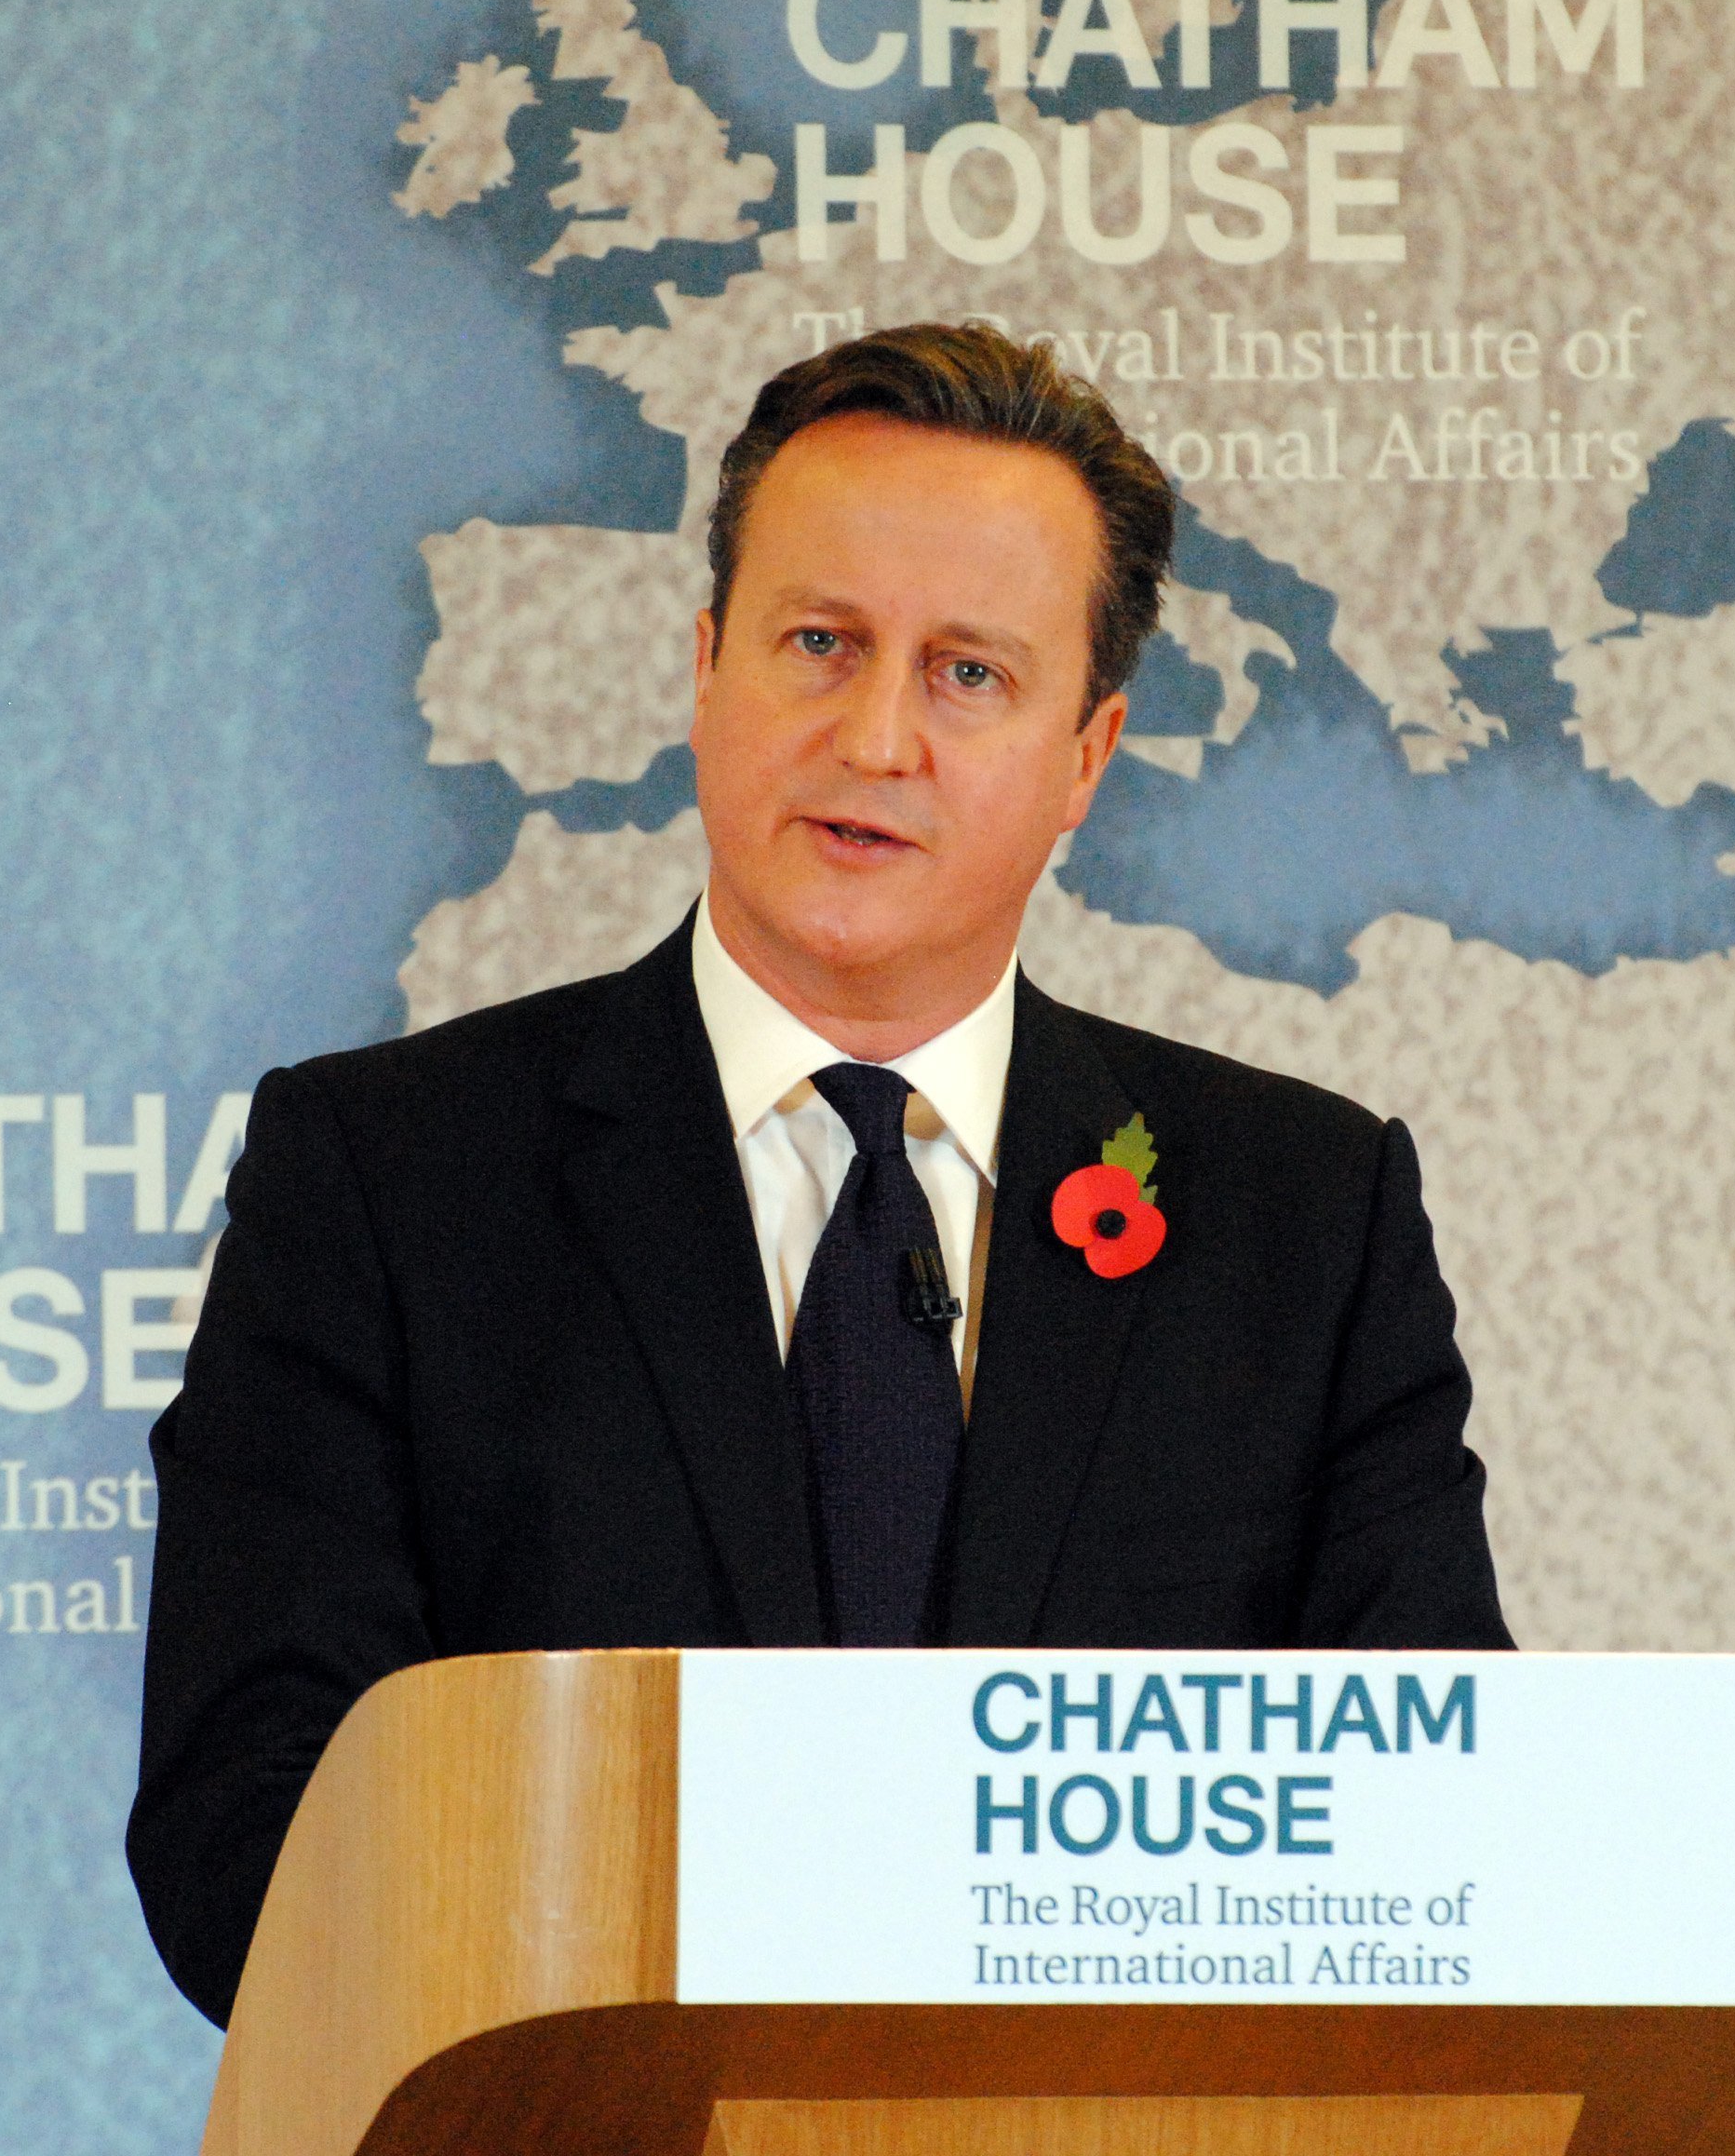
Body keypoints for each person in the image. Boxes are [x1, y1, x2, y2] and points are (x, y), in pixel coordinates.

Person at [127, 321, 1512, 2026]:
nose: (876, 738)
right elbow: (245, 1835)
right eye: (819, 644)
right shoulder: (387, 1179)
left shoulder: (1301, 1218)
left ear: (1087, 754)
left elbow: (1439, 1833)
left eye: (969, 675)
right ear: (708, 666)